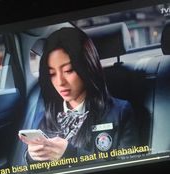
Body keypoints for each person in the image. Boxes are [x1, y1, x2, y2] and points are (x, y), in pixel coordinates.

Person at [19, 27, 139, 162]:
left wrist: (71, 154)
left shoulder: (120, 112)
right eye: (52, 74)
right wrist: (31, 158)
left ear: (86, 68)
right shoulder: (44, 116)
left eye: (68, 70)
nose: (60, 82)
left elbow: (128, 170)